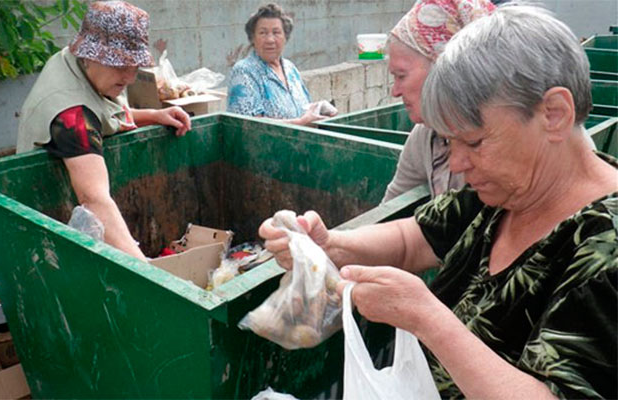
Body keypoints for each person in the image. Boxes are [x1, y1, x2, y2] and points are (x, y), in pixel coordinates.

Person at [260, 5, 617, 399]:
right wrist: (330, 246)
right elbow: (414, 240)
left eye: (474, 141)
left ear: (553, 114)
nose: (459, 163)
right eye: (450, 142)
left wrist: (427, 319)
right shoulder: (508, 192)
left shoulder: (604, 247)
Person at [16, 1, 191, 262]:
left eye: (134, 67)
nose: (130, 79)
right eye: (121, 66)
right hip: (48, 229)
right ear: (90, 56)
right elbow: (94, 200)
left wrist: (154, 116)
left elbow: (103, 115)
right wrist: (150, 272)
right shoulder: (71, 116)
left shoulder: (75, 64)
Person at [381, 0, 495, 203]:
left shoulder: (502, 136)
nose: (395, 91)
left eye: (401, 75)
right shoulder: (426, 135)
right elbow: (392, 208)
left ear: (443, 71)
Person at [226, 3, 333, 125]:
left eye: (276, 32)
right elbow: (249, 126)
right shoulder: (244, 71)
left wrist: (318, 108)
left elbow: (300, 109)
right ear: (252, 38)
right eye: (263, 33)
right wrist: (300, 123)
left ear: (285, 37)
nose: (270, 40)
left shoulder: (290, 68)